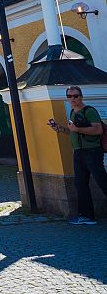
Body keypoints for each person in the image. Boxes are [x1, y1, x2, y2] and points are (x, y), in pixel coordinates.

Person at [49, 85, 107, 225]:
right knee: (80, 184)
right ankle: (87, 216)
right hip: (78, 152)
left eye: (75, 96)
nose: (72, 99)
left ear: (81, 97)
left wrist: (77, 129)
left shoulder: (89, 111)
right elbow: (73, 132)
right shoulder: (72, 112)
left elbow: (98, 130)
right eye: (69, 96)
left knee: (102, 181)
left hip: (92, 151)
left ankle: (87, 215)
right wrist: (61, 129)